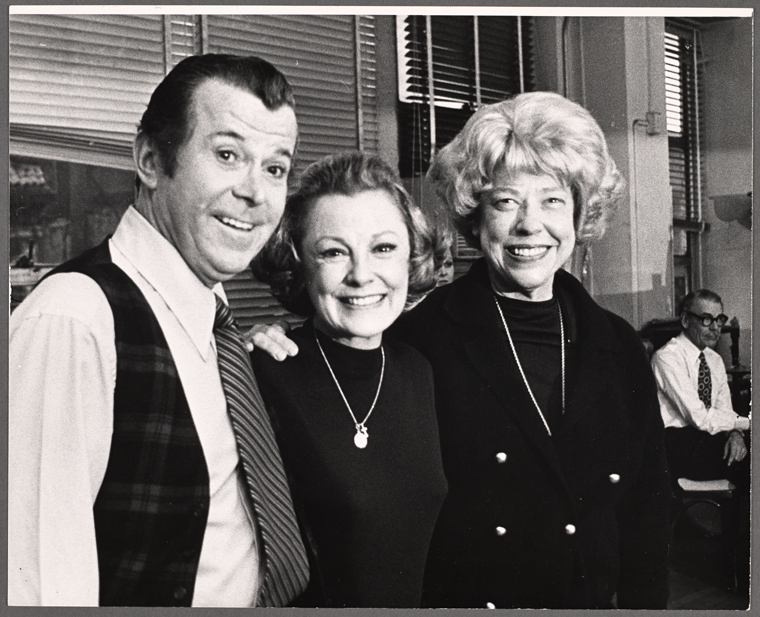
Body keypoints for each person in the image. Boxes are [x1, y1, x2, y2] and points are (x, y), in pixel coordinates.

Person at [251, 92, 672, 609]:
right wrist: (271, 339)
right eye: (506, 201)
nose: (529, 224)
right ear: (475, 215)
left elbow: (647, 511)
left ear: (581, 216)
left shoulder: (620, 345)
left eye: (553, 200)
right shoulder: (420, 337)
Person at [9, 54, 308, 607]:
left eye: (275, 168)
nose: (255, 192)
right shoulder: (75, 318)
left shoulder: (218, 327)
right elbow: (39, 584)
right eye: (227, 155)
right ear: (150, 159)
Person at [249, 151, 448, 608]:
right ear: (299, 263)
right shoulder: (264, 372)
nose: (362, 275)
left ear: (412, 257)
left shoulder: (417, 371)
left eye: (383, 248)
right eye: (334, 252)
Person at [651, 289, 749, 486]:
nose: (715, 328)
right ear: (686, 320)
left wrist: (736, 434)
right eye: (706, 319)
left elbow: (725, 413)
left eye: (719, 319)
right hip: (677, 444)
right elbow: (699, 417)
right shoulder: (667, 357)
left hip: (708, 438)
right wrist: (748, 423)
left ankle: (742, 516)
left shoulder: (715, 360)